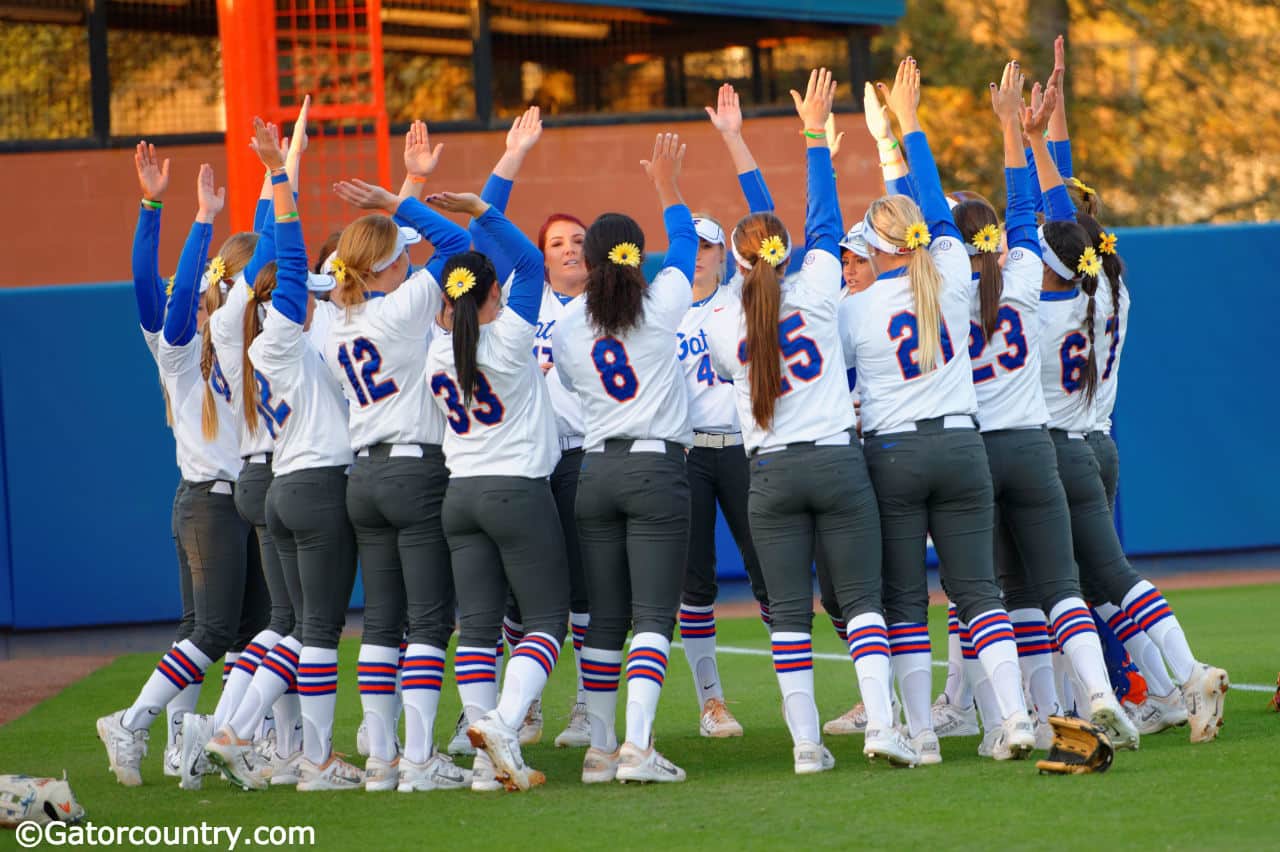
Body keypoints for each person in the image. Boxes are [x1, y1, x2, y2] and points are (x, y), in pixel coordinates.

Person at [706, 67, 911, 773]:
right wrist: (814, 135)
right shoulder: (822, 283)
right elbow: (821, 220)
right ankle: (884, 726)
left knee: (787, 616)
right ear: (785, 251)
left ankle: (804, 747)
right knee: (861, 603)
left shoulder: (719, 317)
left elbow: (773, 255)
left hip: (769, 470)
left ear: (736, 261)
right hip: (834, 458)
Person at [842, 58, 1037, 765]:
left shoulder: (856, 303)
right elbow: (929, 195)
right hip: (962, 446)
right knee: (979, 591)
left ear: (874, 248)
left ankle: (920, 734)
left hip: (893, 453)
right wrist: (910, 120)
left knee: (902, 600)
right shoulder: (953, 269)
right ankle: (1015, 718)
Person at [953, 62, 1138, 750]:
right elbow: (1050, 222)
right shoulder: (1069, 284)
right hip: (1056, 442)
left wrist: (1022, 131)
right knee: (1073, 583)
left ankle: (1020, 718)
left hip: (990, 447)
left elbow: (1037, 223)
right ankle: (1099, 694)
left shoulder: (939, 288)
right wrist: (1025, 133)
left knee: (997, 594)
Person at [1034, 157, 1229, 746]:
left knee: (1083, 583)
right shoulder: (1114, 294)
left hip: (1058, 455)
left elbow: (1051, 244)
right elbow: (1076, 238)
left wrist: (1032, 141)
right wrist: (1039, 140)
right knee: (1101, 584)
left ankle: (1184, 674)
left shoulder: (1038, 312)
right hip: (1100, 444)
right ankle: (1169, 692)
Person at [322, 124, 473, 792]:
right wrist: (398, 195)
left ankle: (382, 759)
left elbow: (392, 260)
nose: (412, 258)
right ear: (387, 262)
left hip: (365, 474)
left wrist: (405, 185)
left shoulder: (337, 319)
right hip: (415, 470)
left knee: (381, 620)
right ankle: (417, 760)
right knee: (430, 619)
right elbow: (461, 245)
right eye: (400, 252)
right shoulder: (406, 305)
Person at [97, 162, 251, 787]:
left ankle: (180, 750)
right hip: (210, 504)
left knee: (212, 630)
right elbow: (154, 284)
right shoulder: (180, 348)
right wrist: (172, 212)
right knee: (214, 631)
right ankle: (132, 721)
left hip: (217, 502)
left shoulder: (250, 345)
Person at [552, 132, 697, 784]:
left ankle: (601, 749)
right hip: (654, 469)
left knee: (605, 616)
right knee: (652, 615)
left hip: (596, 470)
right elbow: (688, 246)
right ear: (636, 256)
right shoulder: (660, 303)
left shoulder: (564, 324)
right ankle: (637, 747)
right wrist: (667, 183)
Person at [456, 108, 595, 751]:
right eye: (555, 243)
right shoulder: (518, 306)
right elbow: (483, 239)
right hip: (527, 466)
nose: (568, 250)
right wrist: (511, 156)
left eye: (578, 241)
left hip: (586, 458)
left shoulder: (614, 304)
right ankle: (523, 709)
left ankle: (587, 709)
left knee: (588, 590)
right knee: (520, 602)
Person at [422, 189, 569, 793]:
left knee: (478, 629)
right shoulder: (508, 336)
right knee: (545, 622)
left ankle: (486, 764)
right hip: (516, 490)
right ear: (491, 294)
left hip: (460, 496)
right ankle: (504, 724)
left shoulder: (436, 346)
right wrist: (479, 210)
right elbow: (532, 265)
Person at [244, 117, 361, 789]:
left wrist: (283, 162)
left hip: (284, 485)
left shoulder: (257, 340)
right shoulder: (296, 337)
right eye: (308, 298)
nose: (315, 301)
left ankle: (257, 734)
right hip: (318, 486)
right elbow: (287, 256)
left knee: (292, 629)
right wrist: (281, 172)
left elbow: (271, 259)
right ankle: (304, 753)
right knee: (316, 631)